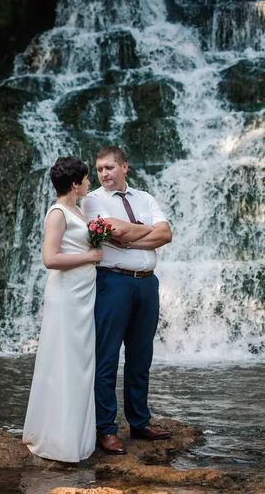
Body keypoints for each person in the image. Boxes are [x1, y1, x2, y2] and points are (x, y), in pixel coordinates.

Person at [81, 146, 173, 455]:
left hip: (147, 285)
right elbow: (113, 234)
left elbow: (166, 234)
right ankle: (105, 429)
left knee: (140, 358)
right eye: (99, 169)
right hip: (113, 282)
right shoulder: (92, 200)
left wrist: (129, 235)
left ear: (124, 166)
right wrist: (146, 233)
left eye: (109, 167)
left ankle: (139, 423)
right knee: (106, 358)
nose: (104, 174)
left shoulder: (145, 198)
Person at [23, 156, 103, 462]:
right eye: (85, 178)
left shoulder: (78, 210)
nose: (89, 182)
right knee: (65, 360)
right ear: (74, 183)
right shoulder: (57, 213)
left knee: (81, 361)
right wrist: (90, 257)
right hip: (67, 295)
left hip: (83, 294)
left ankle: (78, 435)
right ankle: (59, 440)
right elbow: (50, 258)